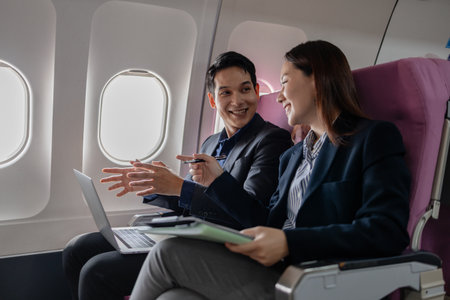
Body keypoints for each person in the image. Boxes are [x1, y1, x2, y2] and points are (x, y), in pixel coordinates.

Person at [129, 40, 411, 300]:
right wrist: (218, 182)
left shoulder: (373, 138)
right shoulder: (292, 156)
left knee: (168, 253)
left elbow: (387, 232)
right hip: (272, 269)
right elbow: (263, 218)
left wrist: (289, 242)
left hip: (315, 281)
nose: (279, 97)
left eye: (285, 82)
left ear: (316, 81)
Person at [62, 51, 292, 300]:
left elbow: (252, 216)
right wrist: (154, 185)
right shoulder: (211, 142)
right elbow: (193, 205)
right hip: (188, 235)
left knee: (97, 272)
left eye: (245, 89)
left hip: (219, 249)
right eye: (226, 92)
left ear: (257, 91)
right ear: (213, 101)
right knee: (78, 248)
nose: (237, 100)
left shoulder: (271, 140)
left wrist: (181, 187)